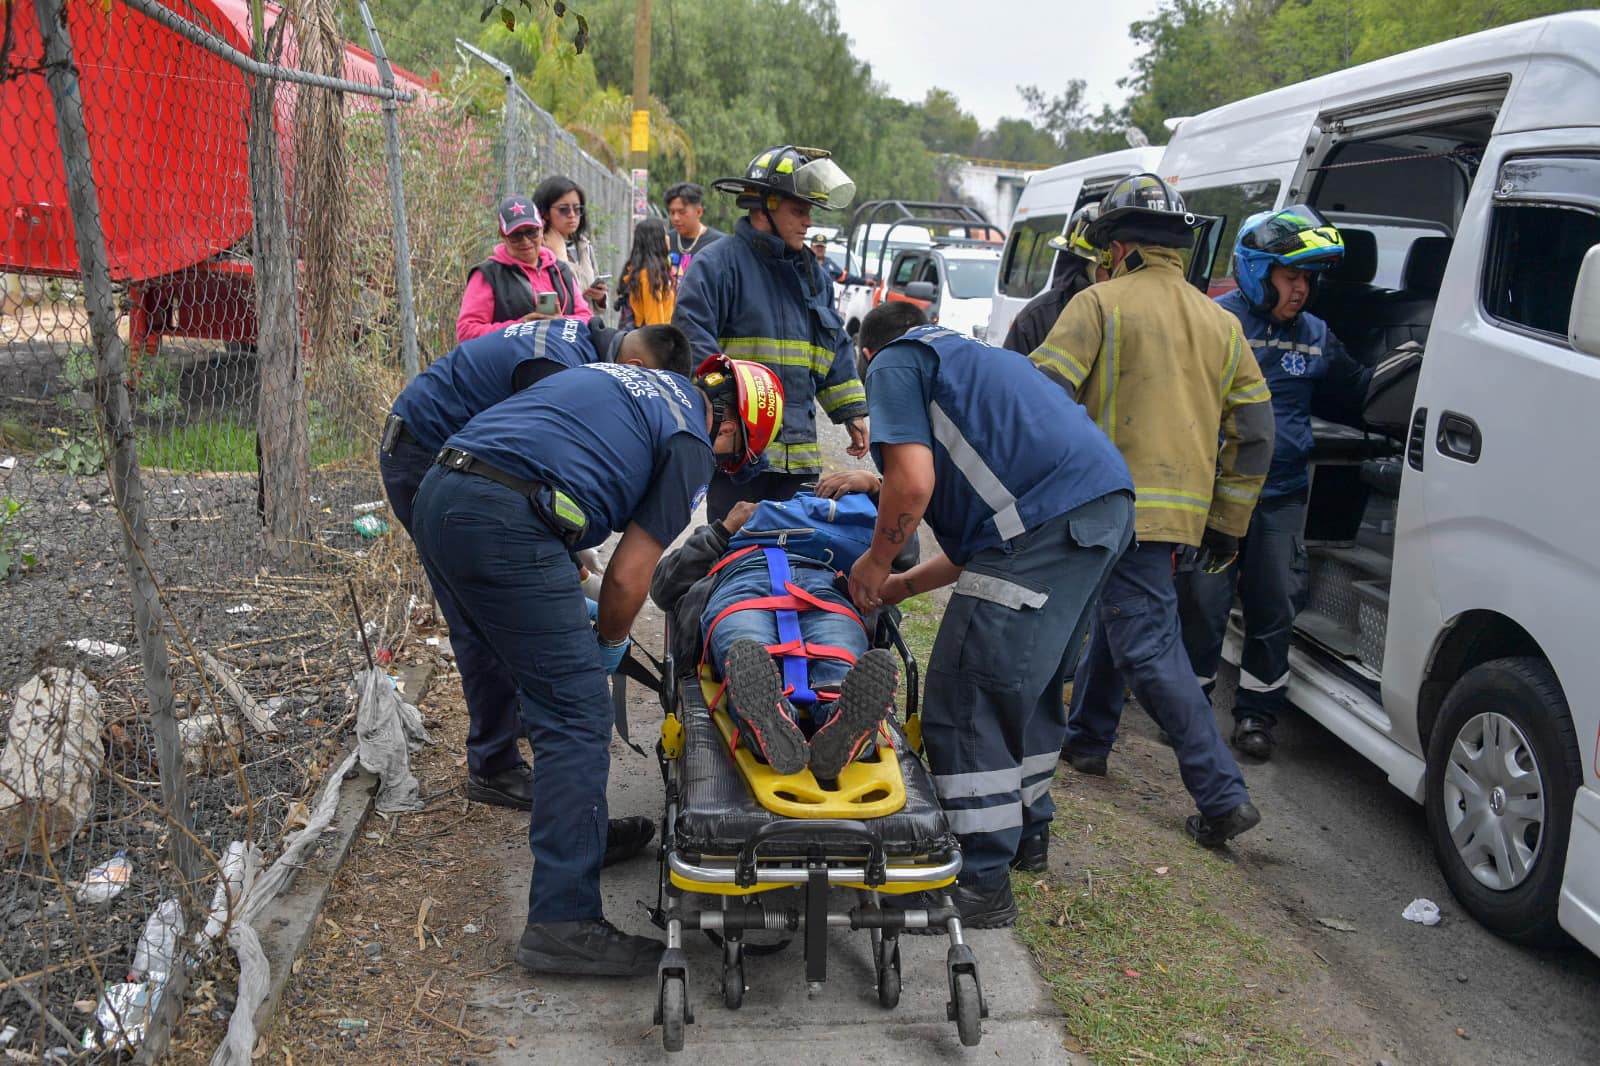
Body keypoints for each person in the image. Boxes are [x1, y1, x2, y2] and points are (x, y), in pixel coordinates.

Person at [408, 354, 784, 976]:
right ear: (732, 429)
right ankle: (563, 922)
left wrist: (562, 541)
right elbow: (631, 578)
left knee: (526, 668)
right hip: (503, 520)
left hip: (440, 492)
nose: (719, 464)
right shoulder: (691, 439)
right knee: (576, 713)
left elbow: (545, 435)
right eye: (731, 455)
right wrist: (608, 646)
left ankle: (577, 837)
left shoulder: (626, 376)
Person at [846, 302, 1136, 927]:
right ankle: (1028, 833)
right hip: (1100, 510)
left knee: (967, 691)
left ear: (867, 355)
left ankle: (978, 879)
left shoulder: (897, 359)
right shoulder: (979, 361)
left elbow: (912, 484)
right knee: (1025, 689)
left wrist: (874, 563)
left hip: (1045, 526)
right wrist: (901, 586)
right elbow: (977, 546)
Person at [1032, 173, 1274, 849]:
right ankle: (1087, 737)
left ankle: (1222, 795)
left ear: (1118, 247)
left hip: (1108, 506)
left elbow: (1039, 403)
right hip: (1181, 516)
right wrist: (1228, 521)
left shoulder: (1099, 304)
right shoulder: (1222, 323)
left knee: (1146, 640)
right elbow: (1255, 433)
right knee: (1126, 620)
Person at [381, 320, 692, 808]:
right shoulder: (560, 368)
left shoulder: (579, 346)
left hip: (453, 459)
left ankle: (529, 715)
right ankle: (494, 765)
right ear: (634, 369)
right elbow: (527, 468)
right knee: (481, 617)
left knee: (521, 609)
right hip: (428, 457)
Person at [1179, 207, 1371, 760]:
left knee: (1277, 602)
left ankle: (1257, 718)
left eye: (1308, 279)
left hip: (1283, 495)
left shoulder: (1316, 335)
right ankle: (1189, 711)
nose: (1302, 290)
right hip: (1215, 496)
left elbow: (1358, 392)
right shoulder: (1216, 323)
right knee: (1203, 602)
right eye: (1292, 277)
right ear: (1258, 272)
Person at [674, 144, 869, 522]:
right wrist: (732, 421)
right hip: (739, 458)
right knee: (730, 559)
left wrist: (851, 410)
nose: (808, 222)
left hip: (798, 460)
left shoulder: (814, 277)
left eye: (809, 211)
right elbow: (692, 343)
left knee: (793, 561)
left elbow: (832, 345)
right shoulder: (717, 266)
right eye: (799, 210)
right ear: (765, 207)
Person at [650, 486, 900, 781]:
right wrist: (724, 529)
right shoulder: (734, 530)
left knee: (836, 658)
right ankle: (769, 721)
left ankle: (841, 723)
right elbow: (664, 588)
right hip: (743, 579)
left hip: (823, 584)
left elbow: (902, 543)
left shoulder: (844, 520)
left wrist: (876, 487)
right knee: (747, 650)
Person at [456, 195, 593, 342]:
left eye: (531, 232)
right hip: (511, 361)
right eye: (516, 236)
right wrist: (520, 327)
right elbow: (466, 332)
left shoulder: (560, 270)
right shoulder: (488, 275)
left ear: (542, 229)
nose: (525, 241)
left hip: (562, 358)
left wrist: (561, 323)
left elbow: (587, 319)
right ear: (503, 236)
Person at [1000, 203, 1110, 355]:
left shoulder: (1136, 308)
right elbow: (1010, 375)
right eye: (1106, 267)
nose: (1117, 275)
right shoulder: (1036, 317)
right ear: (1083, 266)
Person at [535, 175, 609, 312]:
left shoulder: (583, 245)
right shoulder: (538, 249)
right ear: (545, 212)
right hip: (562, 327)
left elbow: (596, 308)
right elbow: (559, 297)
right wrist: (561, 258)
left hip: (586, 326)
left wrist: (600, 298)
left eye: (577, 209)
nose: (572, 215)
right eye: (564, 209)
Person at [616, 217, 676, 327]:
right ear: (656, 241)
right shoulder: (650, 275)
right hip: (651, 340)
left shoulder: (638, 269)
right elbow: (655, 323)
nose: (668, 238)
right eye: (664, 234)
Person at [663, 181, 724, 278]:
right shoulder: (666, 241)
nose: (676, 218)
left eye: (682, 212)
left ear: (699, 212)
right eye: (672, 212)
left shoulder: (719, 243)